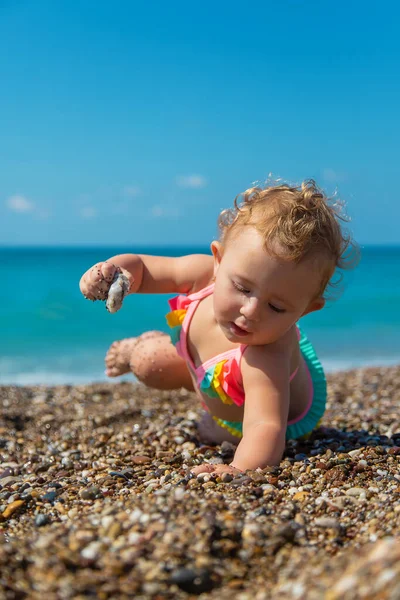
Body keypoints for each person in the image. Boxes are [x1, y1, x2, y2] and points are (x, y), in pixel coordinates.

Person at [79, 179, 355, 476]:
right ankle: (142, 347)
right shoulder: (203, 275)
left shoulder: (266, 355)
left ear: (306, 309)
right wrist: (113, 272)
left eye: (276, 307)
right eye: (241, 287)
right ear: (219, 260)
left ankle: (218, 418)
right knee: (147, 361)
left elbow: (265, 426)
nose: (250, 311)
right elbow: (144, 270)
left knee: (220, 435)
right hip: (208, 371)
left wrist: (239, 469)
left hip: (266, 417)